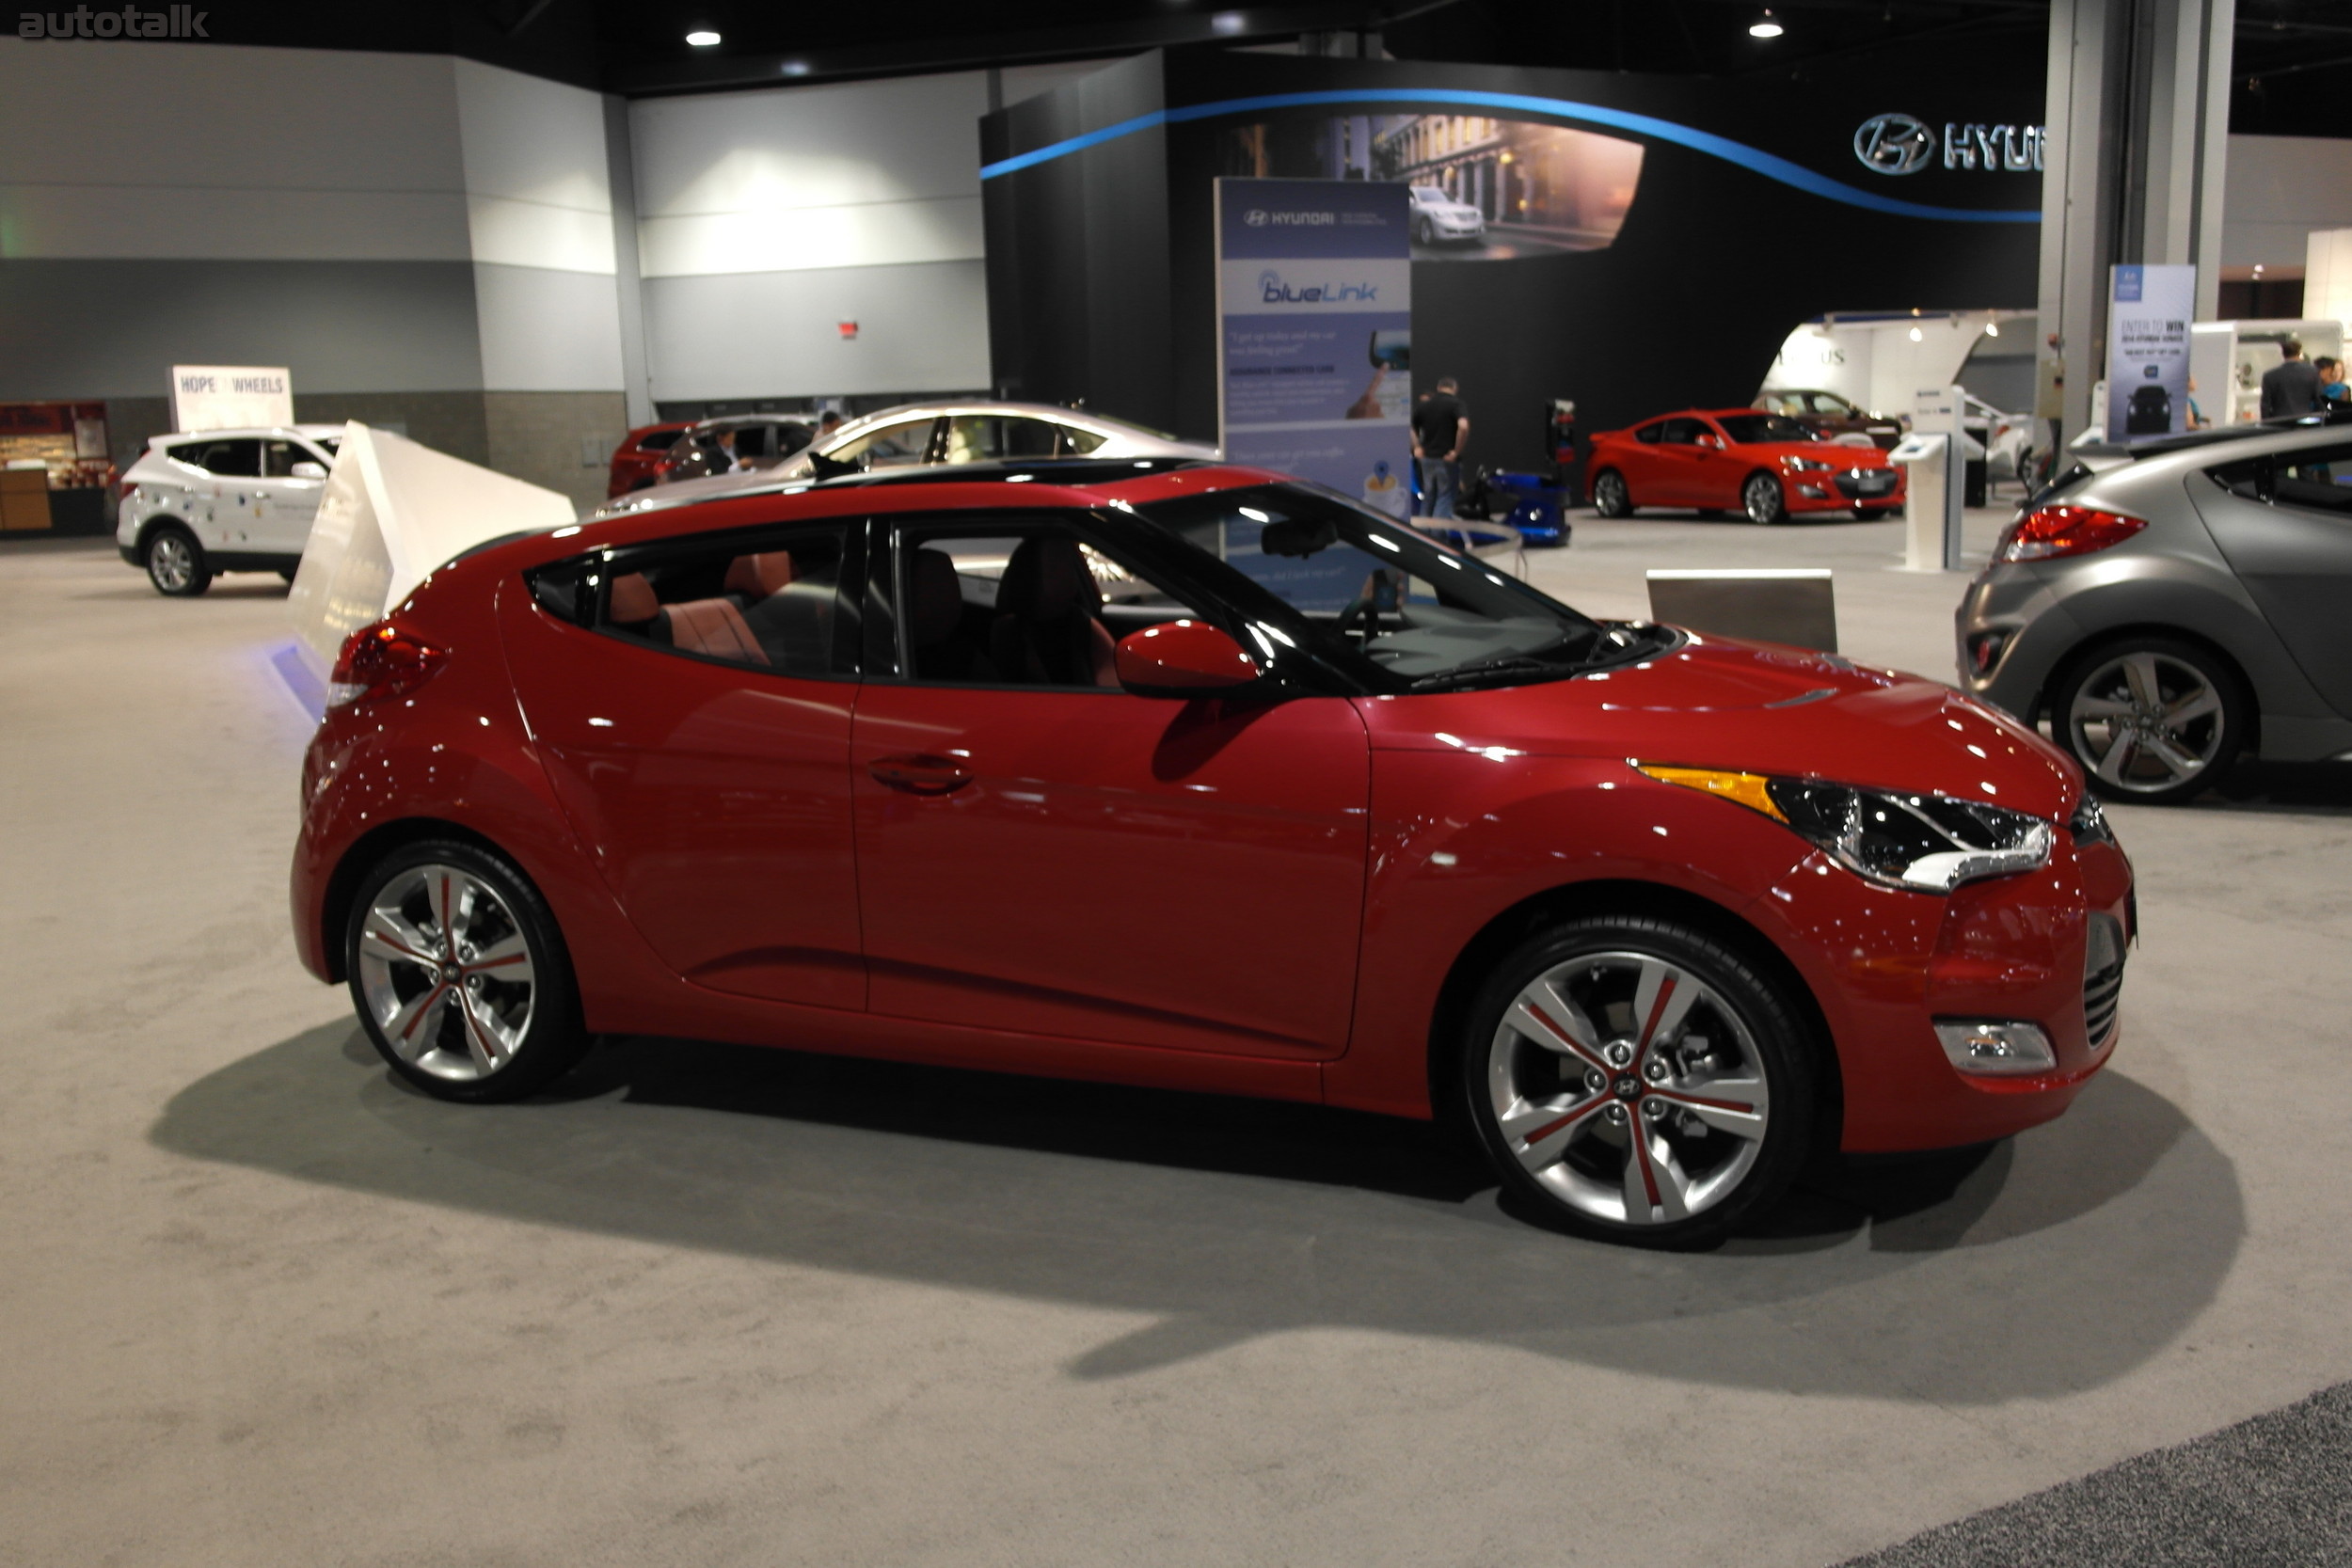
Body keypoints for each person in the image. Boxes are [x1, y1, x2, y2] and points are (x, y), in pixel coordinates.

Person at [1411, 376, 1470, 519]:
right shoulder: (1456, 404)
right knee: (1444, 498)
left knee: (1429, 497)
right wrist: (1456, 451)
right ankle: (1438, 538)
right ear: (1455, 389)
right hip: (1446, 459)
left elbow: (1411, 426)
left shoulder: (1425, 405)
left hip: (1427, 459)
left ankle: (1423, 537)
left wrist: (1417, 447)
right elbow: (1463, 426)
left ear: (1438, 388)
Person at [2260, 338, 2321, 419]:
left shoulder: (2270, 376)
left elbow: (2265, 405)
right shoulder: (2312, 372)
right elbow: (2319, 400)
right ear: (2299, 353)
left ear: (2283, 354)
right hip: (2305, 420)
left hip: (2279, 421)